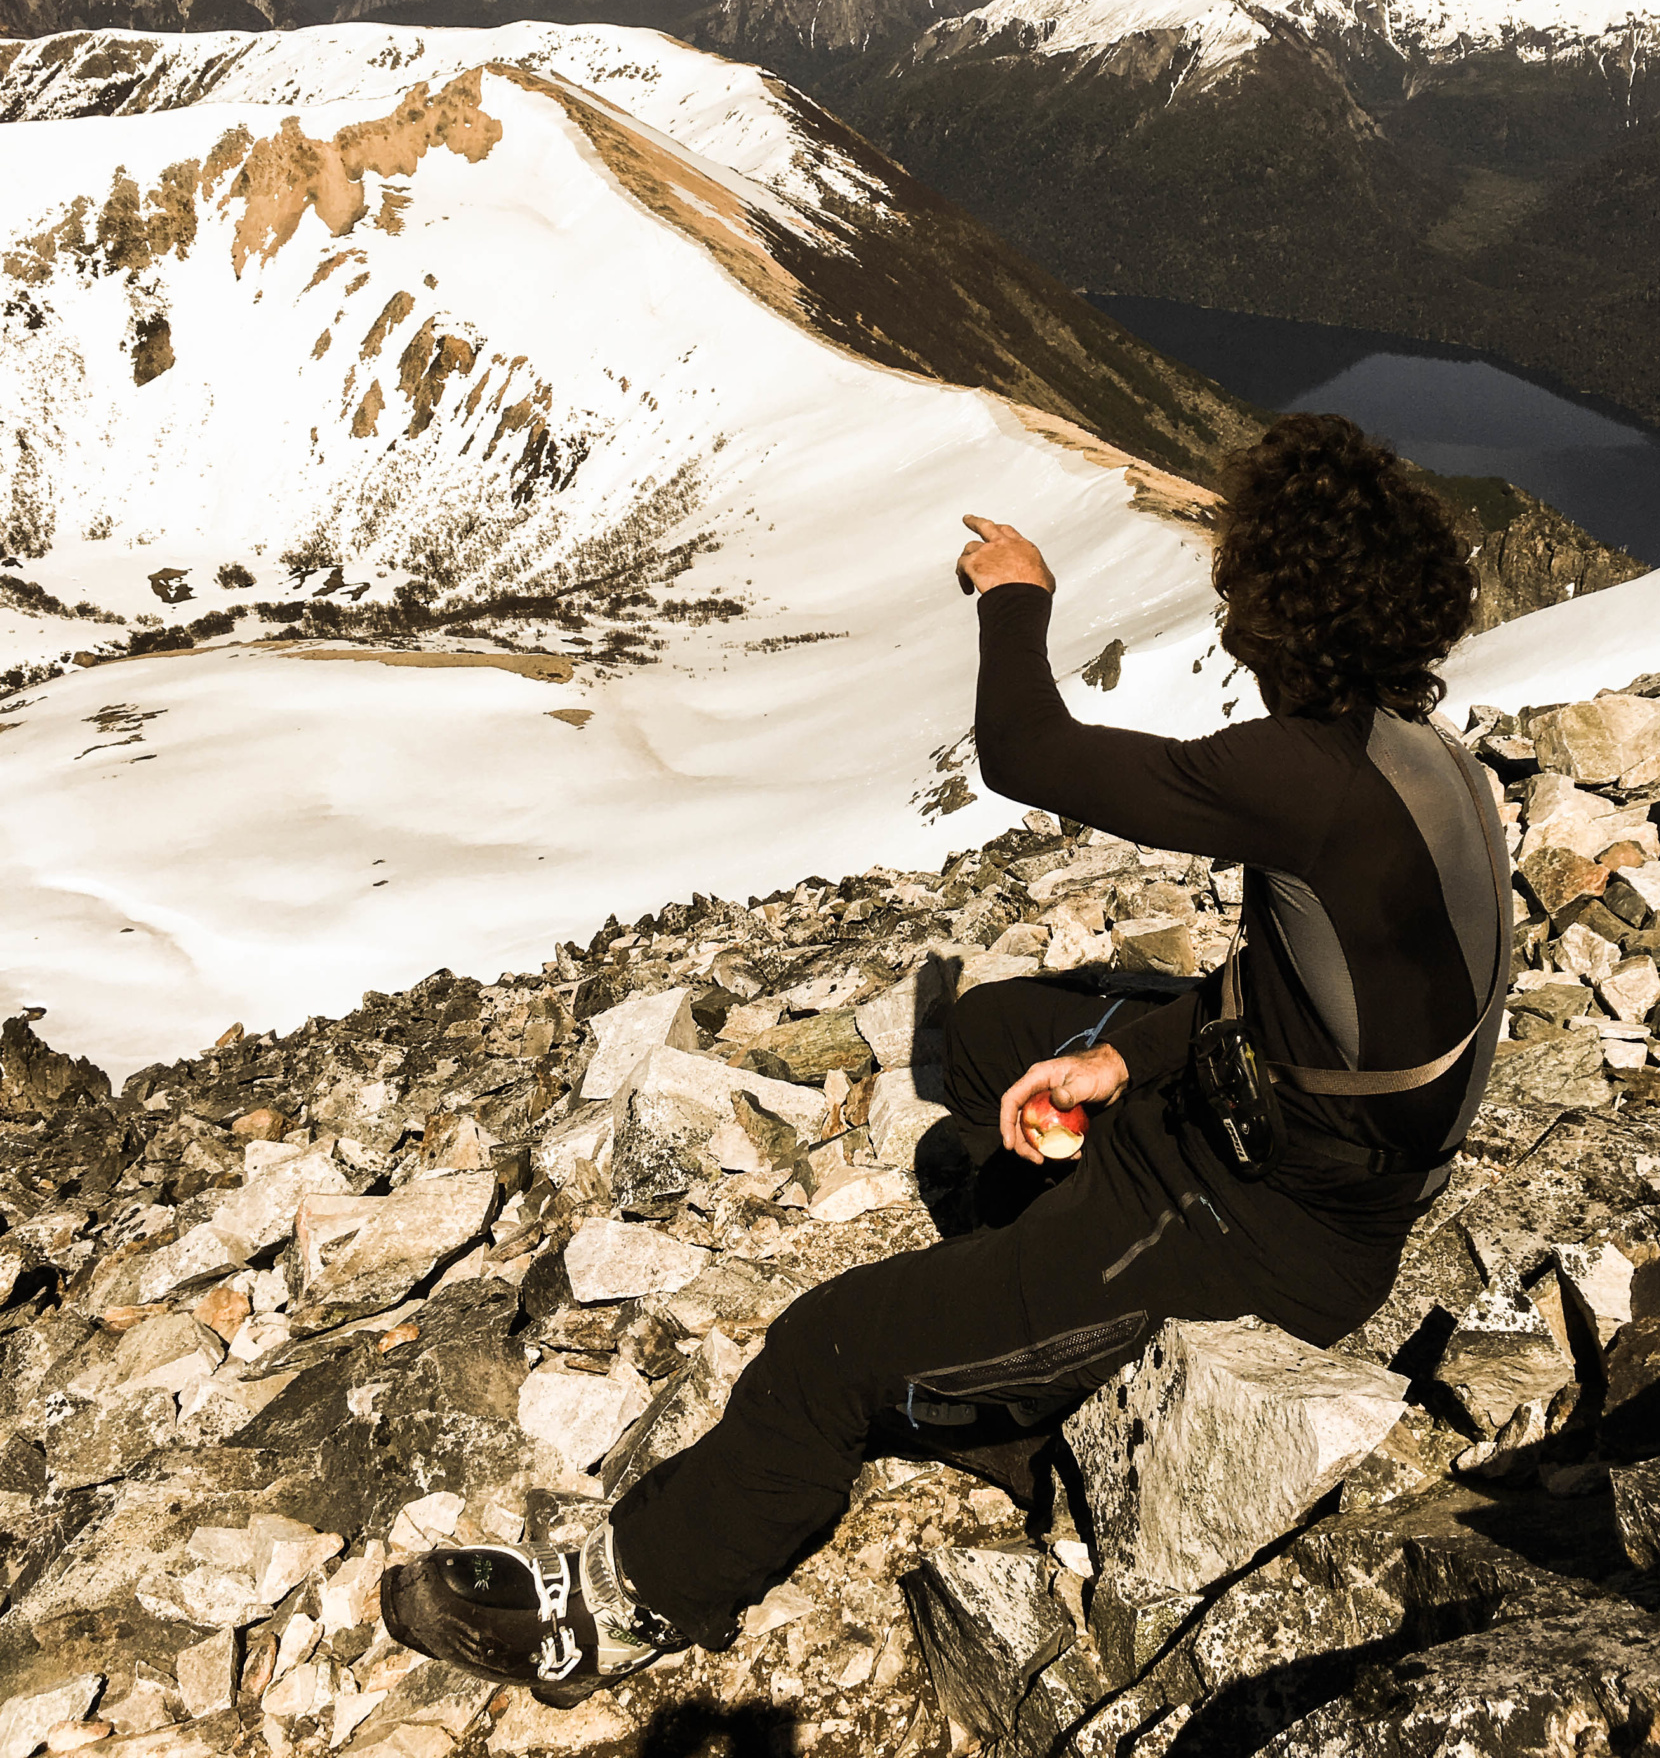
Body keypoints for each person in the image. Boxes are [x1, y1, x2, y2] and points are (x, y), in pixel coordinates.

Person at [383, 414, 1510, 1703]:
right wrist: (1125, 1064)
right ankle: (1027, 1331)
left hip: (1256, 1238)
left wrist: (1016, 598)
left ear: (1271, 615)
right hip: (1273, 1156)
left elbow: (1026, 754)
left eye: (1240, 583)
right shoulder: (1427, 765)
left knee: (829, 1348)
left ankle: (627, 1604)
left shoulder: (1298, 775)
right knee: (994, 1040)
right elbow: (1320, 1012)